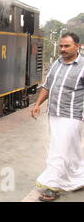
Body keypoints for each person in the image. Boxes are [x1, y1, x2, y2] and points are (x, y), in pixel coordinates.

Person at [31, 32, 84, 202]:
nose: (62, 49)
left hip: (73, 115)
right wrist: (38, 104)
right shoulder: (57, 64)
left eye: (67, 46)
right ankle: (78, 178)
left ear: (78, 46)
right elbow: (47, 86)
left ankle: (52, 186)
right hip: (54, 113)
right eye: (61, 46)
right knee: (72, 149)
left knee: (58, 150)